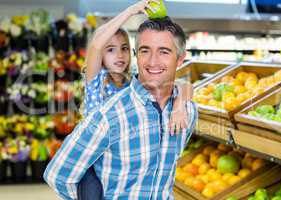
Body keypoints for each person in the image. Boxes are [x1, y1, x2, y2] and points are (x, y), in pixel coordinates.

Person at [44, 5, 198, 200]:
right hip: (91, 163)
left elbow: (184, 86)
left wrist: (180, 105)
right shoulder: (98, 89)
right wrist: (131, 10)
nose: (119, 55)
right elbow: (58, 175)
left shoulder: (182, 110)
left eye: (124, 49)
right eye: (111, 50)